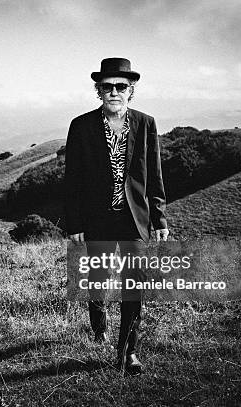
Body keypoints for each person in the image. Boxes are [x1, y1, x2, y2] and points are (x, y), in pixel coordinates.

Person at [64, 57, 169, 374]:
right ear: (99, 91)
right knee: (97, 280)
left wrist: (159, 218)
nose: (114, 92)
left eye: (120, 87)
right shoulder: (81, 126)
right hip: (96, 218)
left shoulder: (146, 123)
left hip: (133, 218)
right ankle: (99, 329)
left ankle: (129, 352)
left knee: (134, 286)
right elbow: (73, 179)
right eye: (107, 86)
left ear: (131, 91)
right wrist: (75, 222)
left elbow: (155, 174)